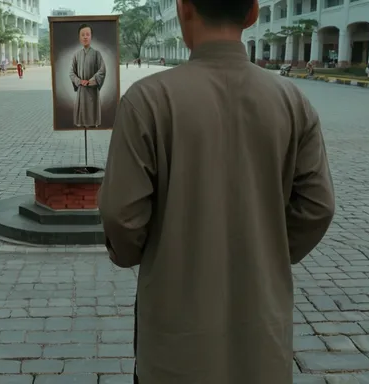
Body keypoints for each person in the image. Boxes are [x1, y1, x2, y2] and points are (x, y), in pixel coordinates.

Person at [98, 0, 335, 383]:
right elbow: (319, 206)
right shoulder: (293, 102)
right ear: (253, 12)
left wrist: (148, 254)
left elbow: (120, 215)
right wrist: (267, 248)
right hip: (262, 345)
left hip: (174, 348)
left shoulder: (147, 101)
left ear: (183, 8)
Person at [69, 23, 106, 128]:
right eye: (82, 34)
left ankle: (93, 122)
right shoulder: (76, 55)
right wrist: (79, 81)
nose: (85, 37)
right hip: (81, 89)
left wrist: (91, 81)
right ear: (79, 38)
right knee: (82, 114)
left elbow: (102, 70)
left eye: (87, 34)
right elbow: (71, 72)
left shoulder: (97, 54)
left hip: (92, 90)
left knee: (92, 113)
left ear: (91, 37)